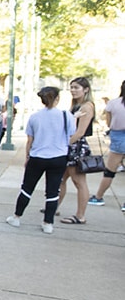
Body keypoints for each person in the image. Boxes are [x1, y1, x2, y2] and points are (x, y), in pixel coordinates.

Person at [4, 87, 75, 235]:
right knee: (53, 191)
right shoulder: (65, 115)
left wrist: (27, 157)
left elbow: (30, 140)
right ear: (57, 99)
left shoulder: (35, 117)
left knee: (27, 188)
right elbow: (70, 135)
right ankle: (48, 223)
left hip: (37, 156)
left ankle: (16, 216)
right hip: (58, 157)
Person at [58, 77, 96, 225]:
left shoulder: (86, 107)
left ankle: (80, 215)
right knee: (61, 179)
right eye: (71, 87)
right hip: (71, 146)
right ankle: (54, 206)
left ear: (86, 89)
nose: (73, 90)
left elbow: (80, 132)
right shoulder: (76, 105)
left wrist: (64, 144)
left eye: (76, 87)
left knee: (79, 182)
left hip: (76, 147)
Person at [88, 80, 125, 212]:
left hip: (118, 136)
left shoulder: (113, 103)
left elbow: (109, 123)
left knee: (110, 171)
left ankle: (98, 197)